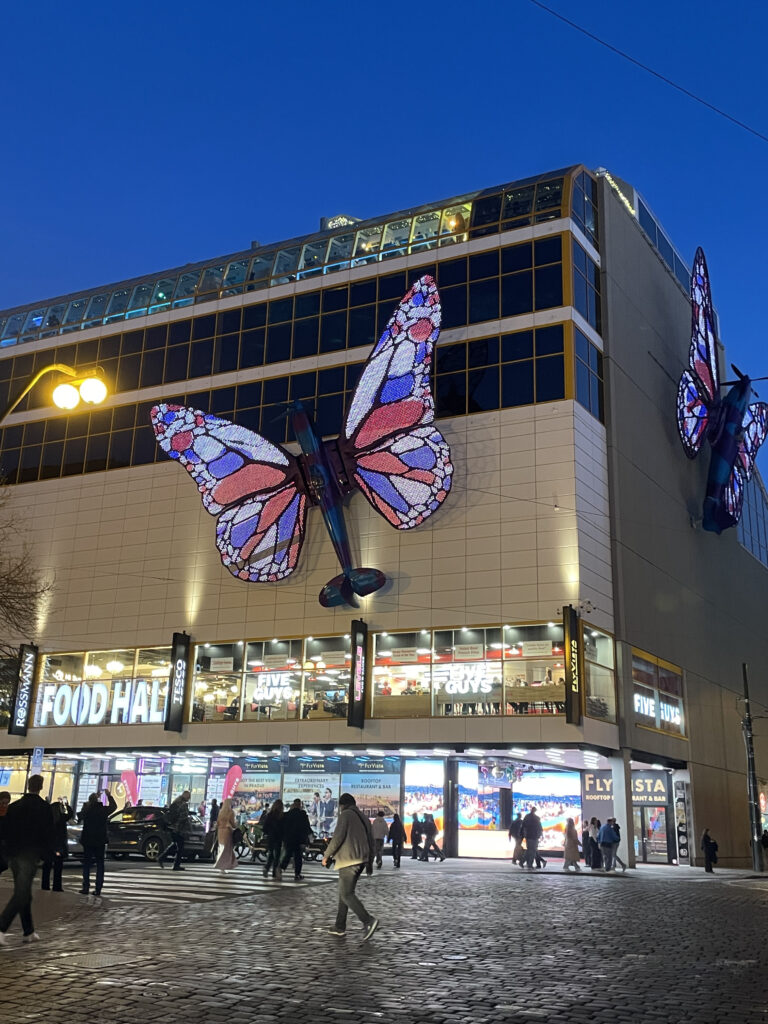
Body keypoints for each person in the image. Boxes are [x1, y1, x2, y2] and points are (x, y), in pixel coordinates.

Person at [0, 775, 54, 945]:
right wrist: (46, 856)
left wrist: (8, 852)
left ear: (28, 785)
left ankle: (28, 931)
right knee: (21, 894)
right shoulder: (44, 808)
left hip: (14, 854)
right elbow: (48, 834)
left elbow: (5, 831)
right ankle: (2, 927)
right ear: (41, 787)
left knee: (23, 892)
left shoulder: (14, 807)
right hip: (30, 854)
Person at [322, 793, 379, 941]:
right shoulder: (363, 817)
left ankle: (368, 920)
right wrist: (370, 862)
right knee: (344, 893)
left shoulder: (346, 815)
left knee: (347, 894)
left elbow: (338, 837)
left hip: (349, 859)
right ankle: (339, 926)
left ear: (342, 805)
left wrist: (326, 855)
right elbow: (371, 841)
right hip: (361, 860)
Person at [80, 789, 118, 900]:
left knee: (87, 864)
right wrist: (109, 796)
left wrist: (92, 799)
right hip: (100, 840)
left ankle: (85, 887)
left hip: (88, 840)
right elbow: (114, 807)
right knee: (100, 864)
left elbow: (80, 815)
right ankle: (98, 888)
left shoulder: (87, 809)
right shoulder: (103, 810)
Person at [41, 798, 74, 891]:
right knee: (58, 867)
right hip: (59, 846)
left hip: (48, 846)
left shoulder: (47, 819)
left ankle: (45, 885)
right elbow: (70, 814)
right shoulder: (62, 818)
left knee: (47, 866)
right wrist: (66, 805)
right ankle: (57, 886)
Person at [159, 790, 191, 870]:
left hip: (172, 828)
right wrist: (188, 826)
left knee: (175, 845)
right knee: (180, 847)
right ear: (187, 797)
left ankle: (162, 858)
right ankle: (175, 865)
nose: (189, 798)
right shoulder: (184, 805)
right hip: (179, 829)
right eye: (189, 797)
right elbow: (183, 818)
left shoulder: (176, 802)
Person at [281, 798, 312, 881]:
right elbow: (306, 827)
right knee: (298, 857)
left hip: (289, 839)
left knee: (288, 854)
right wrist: (309, 836)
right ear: (300, 805)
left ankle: (281, 868)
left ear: (293, 804)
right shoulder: (302, 814)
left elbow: (284, 827)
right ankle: (297, 874)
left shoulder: (287, 814)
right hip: (299, 839)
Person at [262, 800, 284, 880]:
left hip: (271, 837)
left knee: (271, 854)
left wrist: (268, 832)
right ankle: (274, 872)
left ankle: (267, 868)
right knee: (277, 855)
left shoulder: (269, 815)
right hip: (278, 837)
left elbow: (265, 827)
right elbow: (284, 828)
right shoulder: (282, 816)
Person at [213, 798, 237, 873]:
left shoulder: (221, 812)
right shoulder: (231, 812)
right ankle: (223, 866)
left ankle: (222, 867)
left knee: (221, 848)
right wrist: (236, 826)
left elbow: (218, 822)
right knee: (226, 849)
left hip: (220, 831)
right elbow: (232, 823)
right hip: (227, 831)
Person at [0, 791, 11, 875]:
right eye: (3, 803)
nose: (4, 805)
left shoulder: (9, 812)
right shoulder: (9, 812)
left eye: (6, 803)